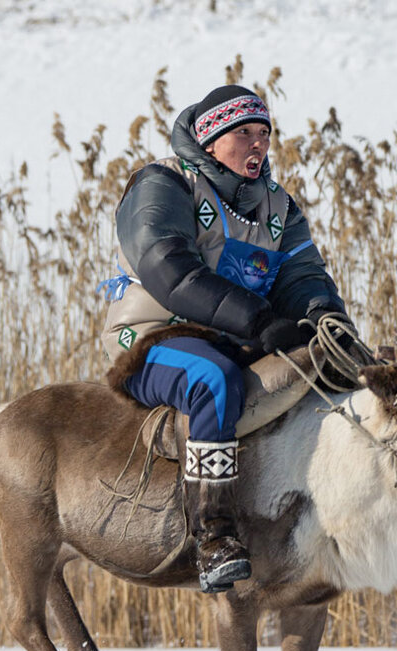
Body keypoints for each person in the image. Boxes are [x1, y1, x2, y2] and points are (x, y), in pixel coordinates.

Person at [99, 84, 350, 594]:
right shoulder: (164, 183)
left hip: (235, 333)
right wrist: (259, 321)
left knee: (331, 367)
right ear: (211, 141)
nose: (258, 144)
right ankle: (213, 536)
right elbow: (168, 270)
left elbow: (304, 277)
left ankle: (347, 521)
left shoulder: (279, 205)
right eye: (243, 134)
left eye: (264, 133)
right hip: (154, 338)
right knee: (213, 379)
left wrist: (327, 322)